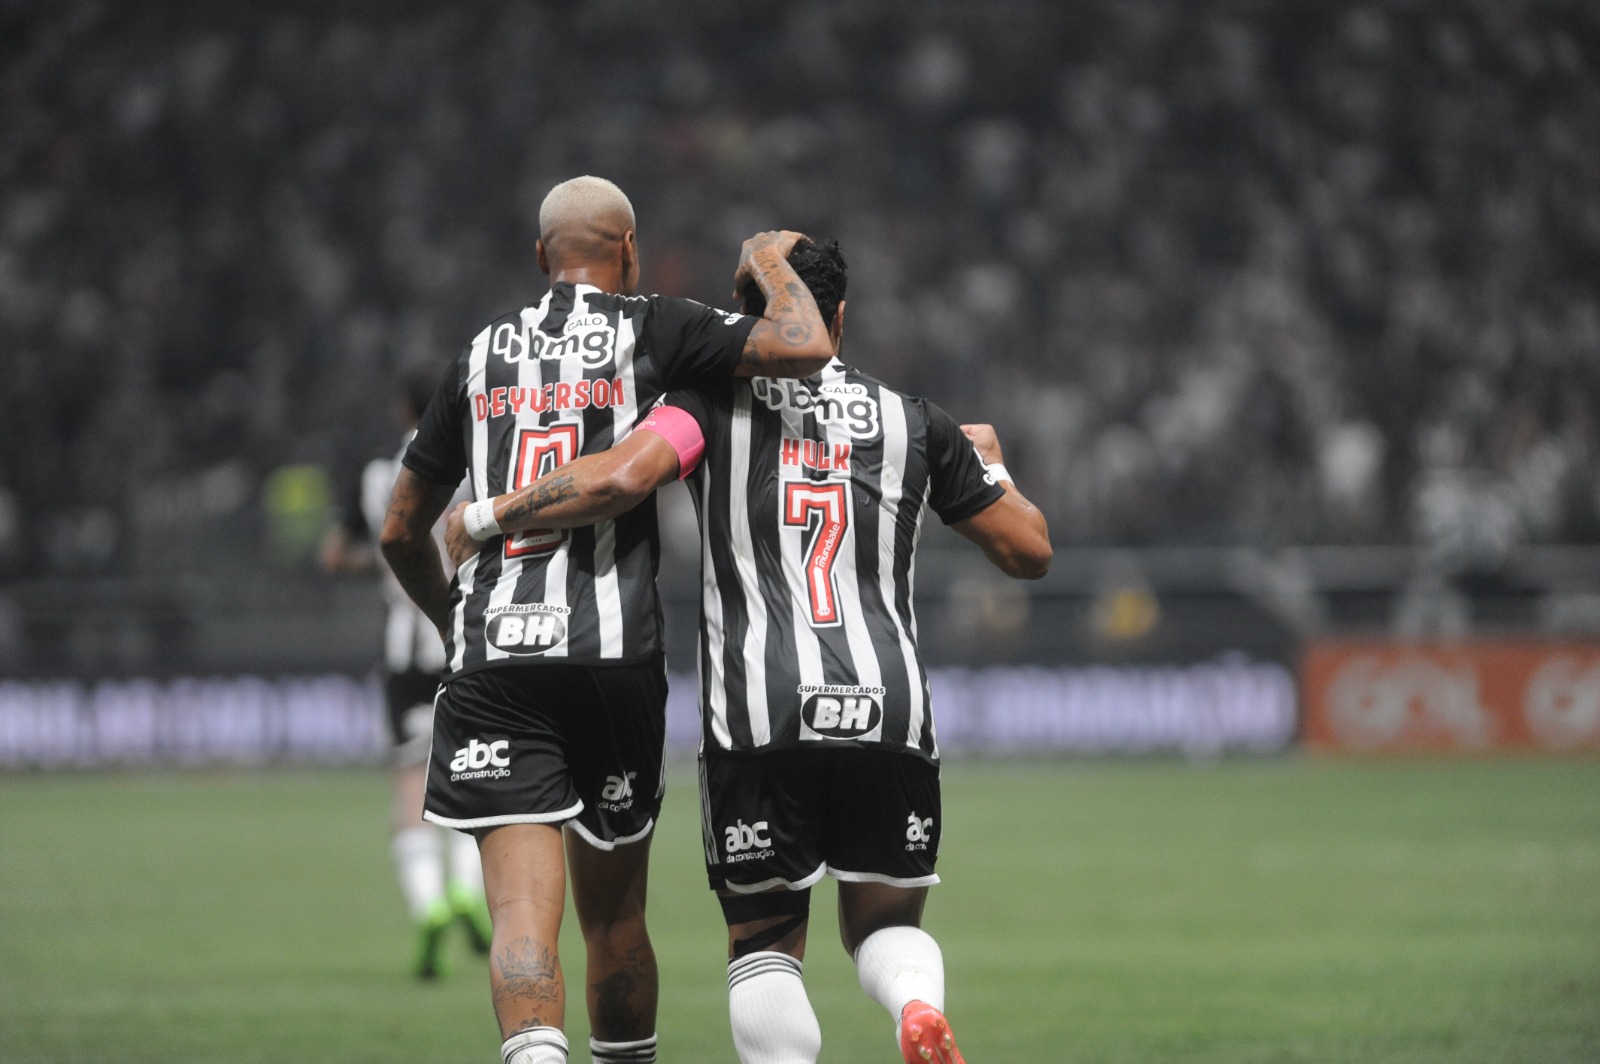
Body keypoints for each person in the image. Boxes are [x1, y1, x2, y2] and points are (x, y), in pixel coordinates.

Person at [445, 238, 1052, 1064]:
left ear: (748, 318)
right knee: (883, 924)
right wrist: (995, 466)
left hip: (760, 713)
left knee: (764, 947)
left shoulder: (703, 408)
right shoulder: (916, 422)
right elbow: (1029, 550)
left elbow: (622, 475)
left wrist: (489, 514)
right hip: (890, 711)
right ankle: (914, 1007)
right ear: (839, 316)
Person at [379, 175, 834, 1064]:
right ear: (628, 250)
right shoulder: (654, 325)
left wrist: (452, 624)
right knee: (616, 913)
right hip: (612, 658)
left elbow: (401, 527)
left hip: (495, 662)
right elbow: (804, 342)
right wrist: (770, 260)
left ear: (538, 258)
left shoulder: (475, 357)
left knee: (518, 912)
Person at [320, 362, 490, 980]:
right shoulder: (478, 460)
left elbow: (336, 556)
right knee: (479, 776)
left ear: (400, 411)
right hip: (466, 641)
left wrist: (389, 566)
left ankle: (428, 905)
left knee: (407, 784)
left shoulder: (372, 476)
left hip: (402, 650)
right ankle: (469, 888)